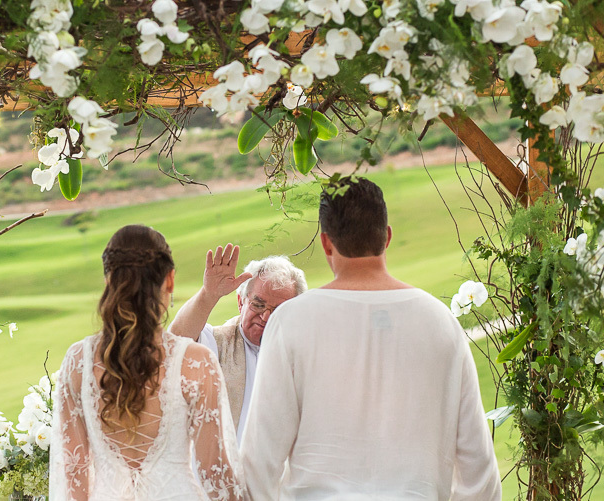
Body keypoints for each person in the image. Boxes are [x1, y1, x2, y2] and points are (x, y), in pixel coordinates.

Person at [240, 177, 501, 500]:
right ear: (386, 236)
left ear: (326, 243)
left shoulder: (291, 321)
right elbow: (479, 469)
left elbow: (258, 461)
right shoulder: (440, 321)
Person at [50, 225, 244, 501]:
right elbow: (216, 474)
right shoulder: (196, 363)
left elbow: (74, 479)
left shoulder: (77, 362)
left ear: (108, 282)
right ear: (170, 281)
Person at [169, 245, 306, 442]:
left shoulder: (303, 354)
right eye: (258, 305)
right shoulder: (216, 343)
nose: (266, 317)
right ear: (241, 302)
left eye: (278, 311)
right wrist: (208, 294)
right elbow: (176, 341)